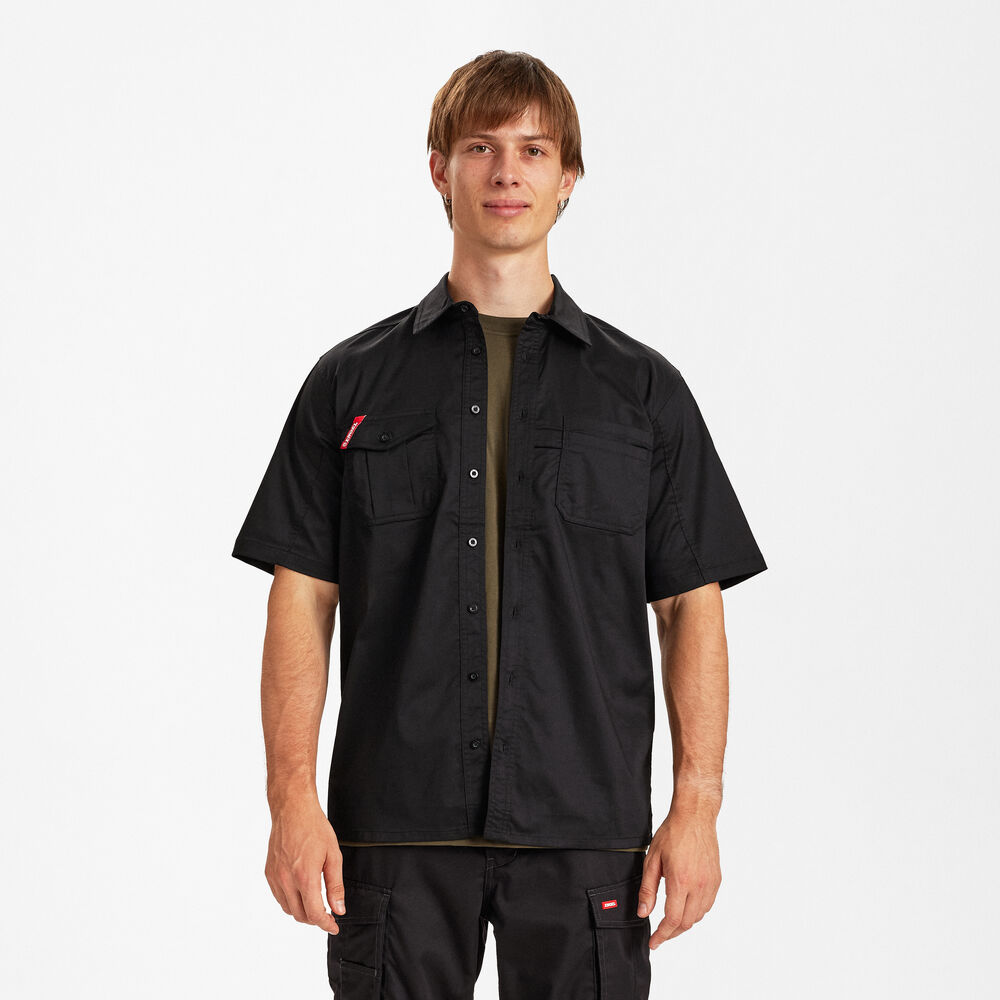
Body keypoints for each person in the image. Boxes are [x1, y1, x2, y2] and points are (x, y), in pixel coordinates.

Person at [232, 49, 767, 1000]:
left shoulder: (643, 393)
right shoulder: (350, 383)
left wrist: (698, 809)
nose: (507, 172)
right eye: (481, 147)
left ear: (570, 178)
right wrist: (290, 801)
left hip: (587, 831)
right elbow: (302, 596)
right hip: (393, 832)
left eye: (533, 149)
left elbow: (692, 605)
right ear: (440, 171)